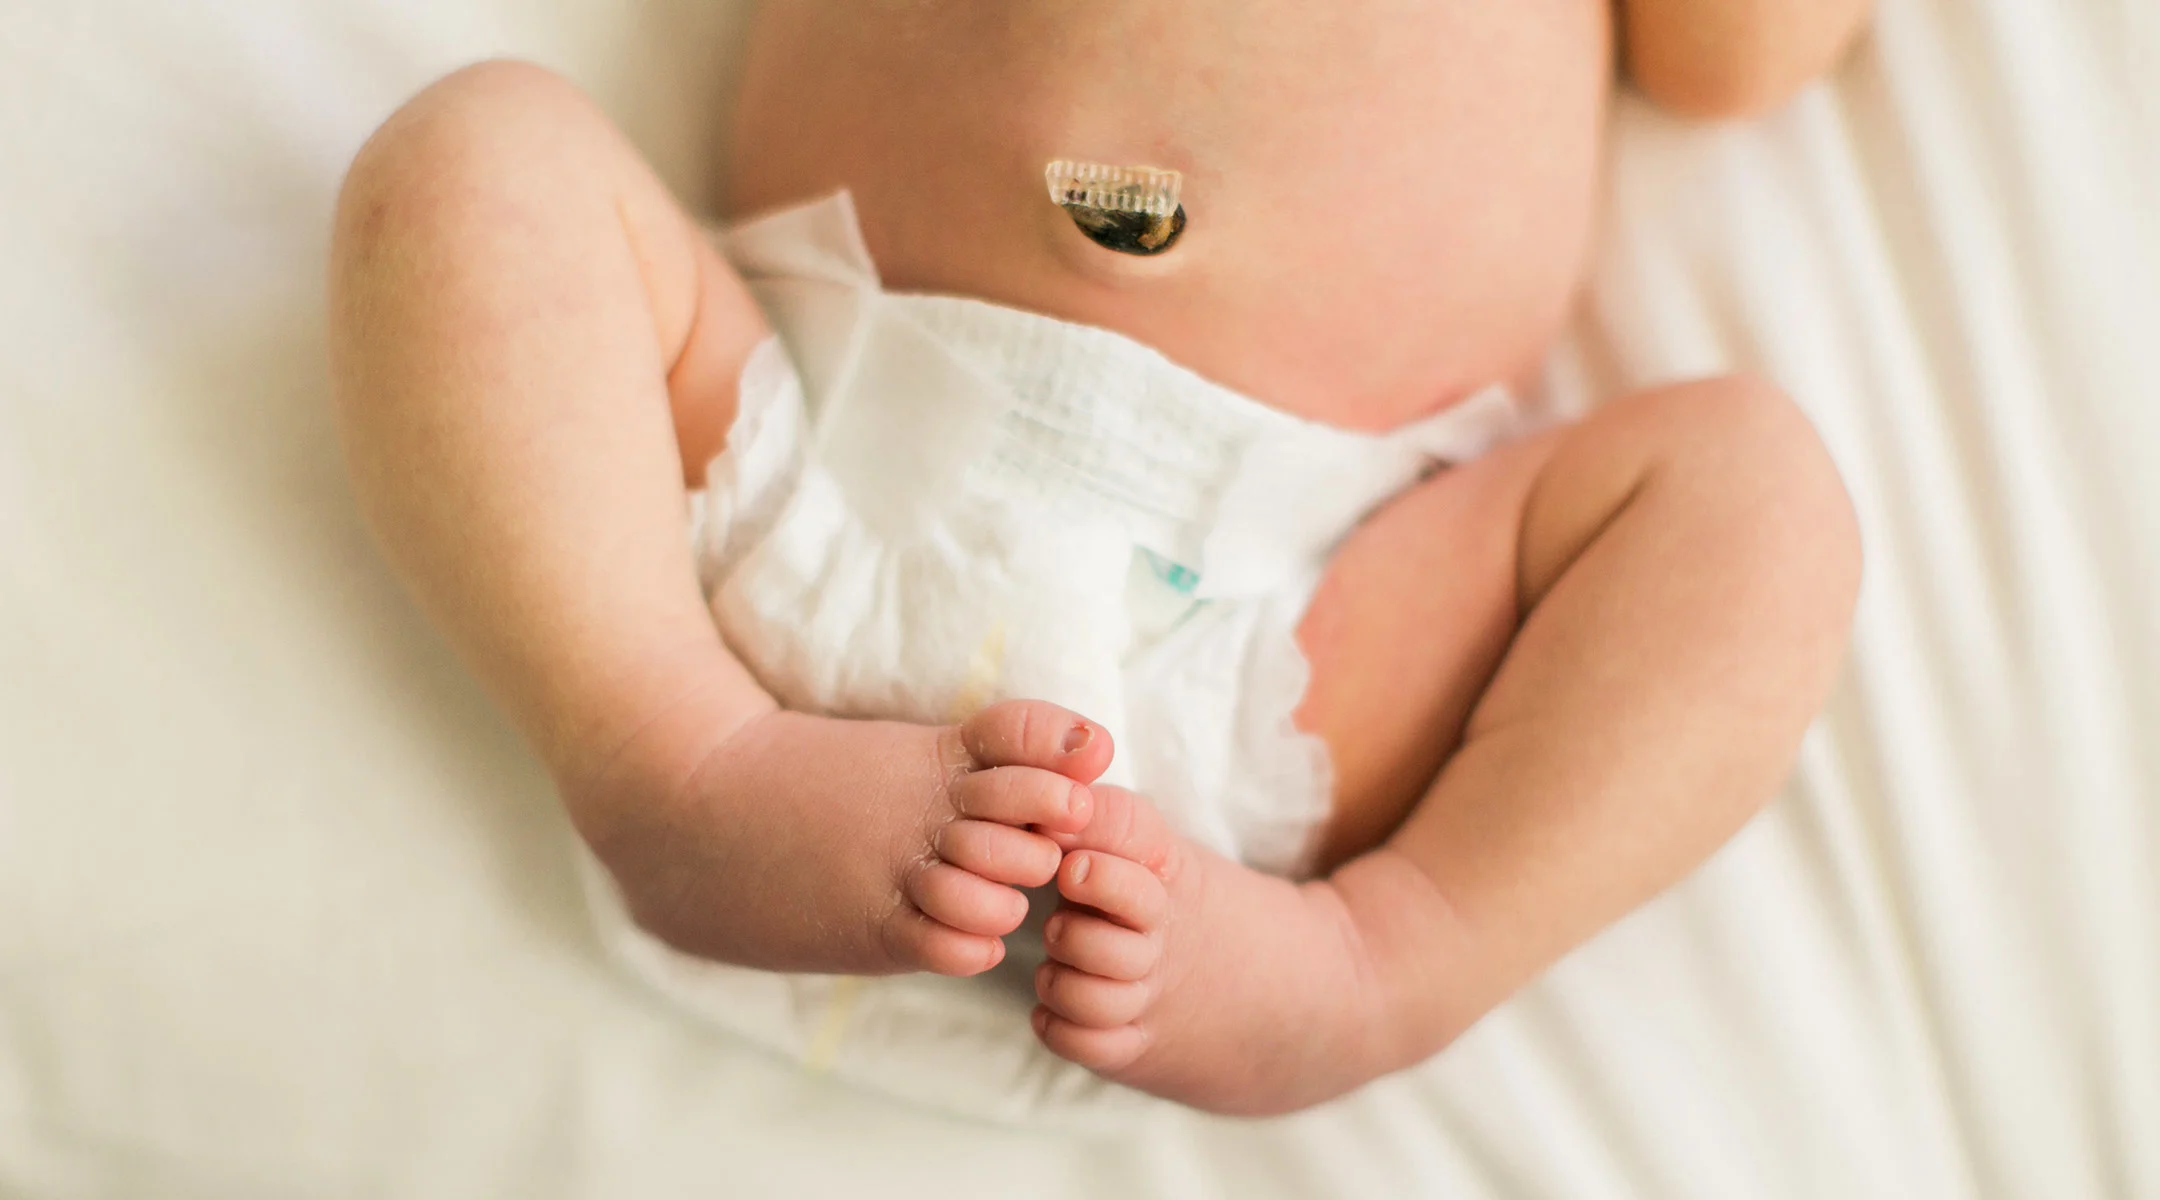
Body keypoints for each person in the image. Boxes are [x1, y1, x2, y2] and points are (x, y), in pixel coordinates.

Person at [327, 0, 1868, 1115]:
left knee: (1761, 502)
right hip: (805, 437)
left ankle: (1384, 964)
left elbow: (1734, 54)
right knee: (473, 162)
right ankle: (670, 767)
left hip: (1299, 615)